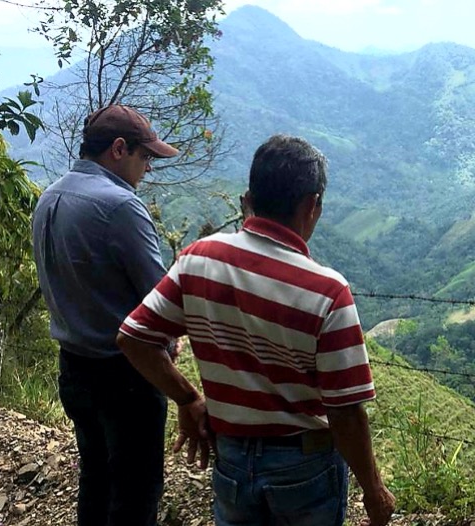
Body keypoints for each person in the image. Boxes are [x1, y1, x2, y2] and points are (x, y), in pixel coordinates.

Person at [115, 135, 396, 526]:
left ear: (248, 198)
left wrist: (187, 398)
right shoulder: (328, 292)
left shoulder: (198, 260)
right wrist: (374, 489)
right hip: (305, 467)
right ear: (311, 205)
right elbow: (346, 413)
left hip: (230, 458)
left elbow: (133, 338)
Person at [31, 105, 180, 525]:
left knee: (95, 481)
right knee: (135, 493)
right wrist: (169, 346)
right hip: (126, 378)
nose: (148, 168)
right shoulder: (121, 207)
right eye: (145, 157)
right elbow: (161, 301)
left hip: (74, 369)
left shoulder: (50, 196)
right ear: (119, 149)